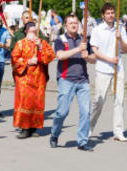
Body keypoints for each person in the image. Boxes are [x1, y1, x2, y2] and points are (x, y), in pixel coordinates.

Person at [50, 14, 96, 151]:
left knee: (86, 112)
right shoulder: (60, 39)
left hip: (83, 80)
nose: (74, 25)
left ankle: (82, 141)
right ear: (65, 25)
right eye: (71, 23)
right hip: (66, 79)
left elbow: (93, 58)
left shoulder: (84, 40)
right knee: (62, 112)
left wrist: (87, 56)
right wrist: (78, 49)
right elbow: (60, 56)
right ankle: (54, 134)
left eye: (76, 23)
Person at [89, 3, 127, 142]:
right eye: (108, 13)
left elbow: (126, 49)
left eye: (112, 12)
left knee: (119, 100)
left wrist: (120, 39)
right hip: (103, 69)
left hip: (118, 69)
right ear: (103, 15)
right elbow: (95, 50)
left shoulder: (120, 28)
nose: (111, 15)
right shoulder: (97, 29)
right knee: (98, 101)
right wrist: (109, 59)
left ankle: (118, 131)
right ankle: (88, 128)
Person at [11, 21, 55, 139]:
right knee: (25, 102)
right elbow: (14, 60)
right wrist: (27, 61)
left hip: (39, 78)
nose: (32, 30)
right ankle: (25, 128)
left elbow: (51, 56)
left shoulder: (42, 43)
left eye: (34, 29)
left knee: (36, 102)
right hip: (24, 78)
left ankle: (34, 127)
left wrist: (40, 47)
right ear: (25, 31)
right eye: (29, 29)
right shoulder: (20, 43)